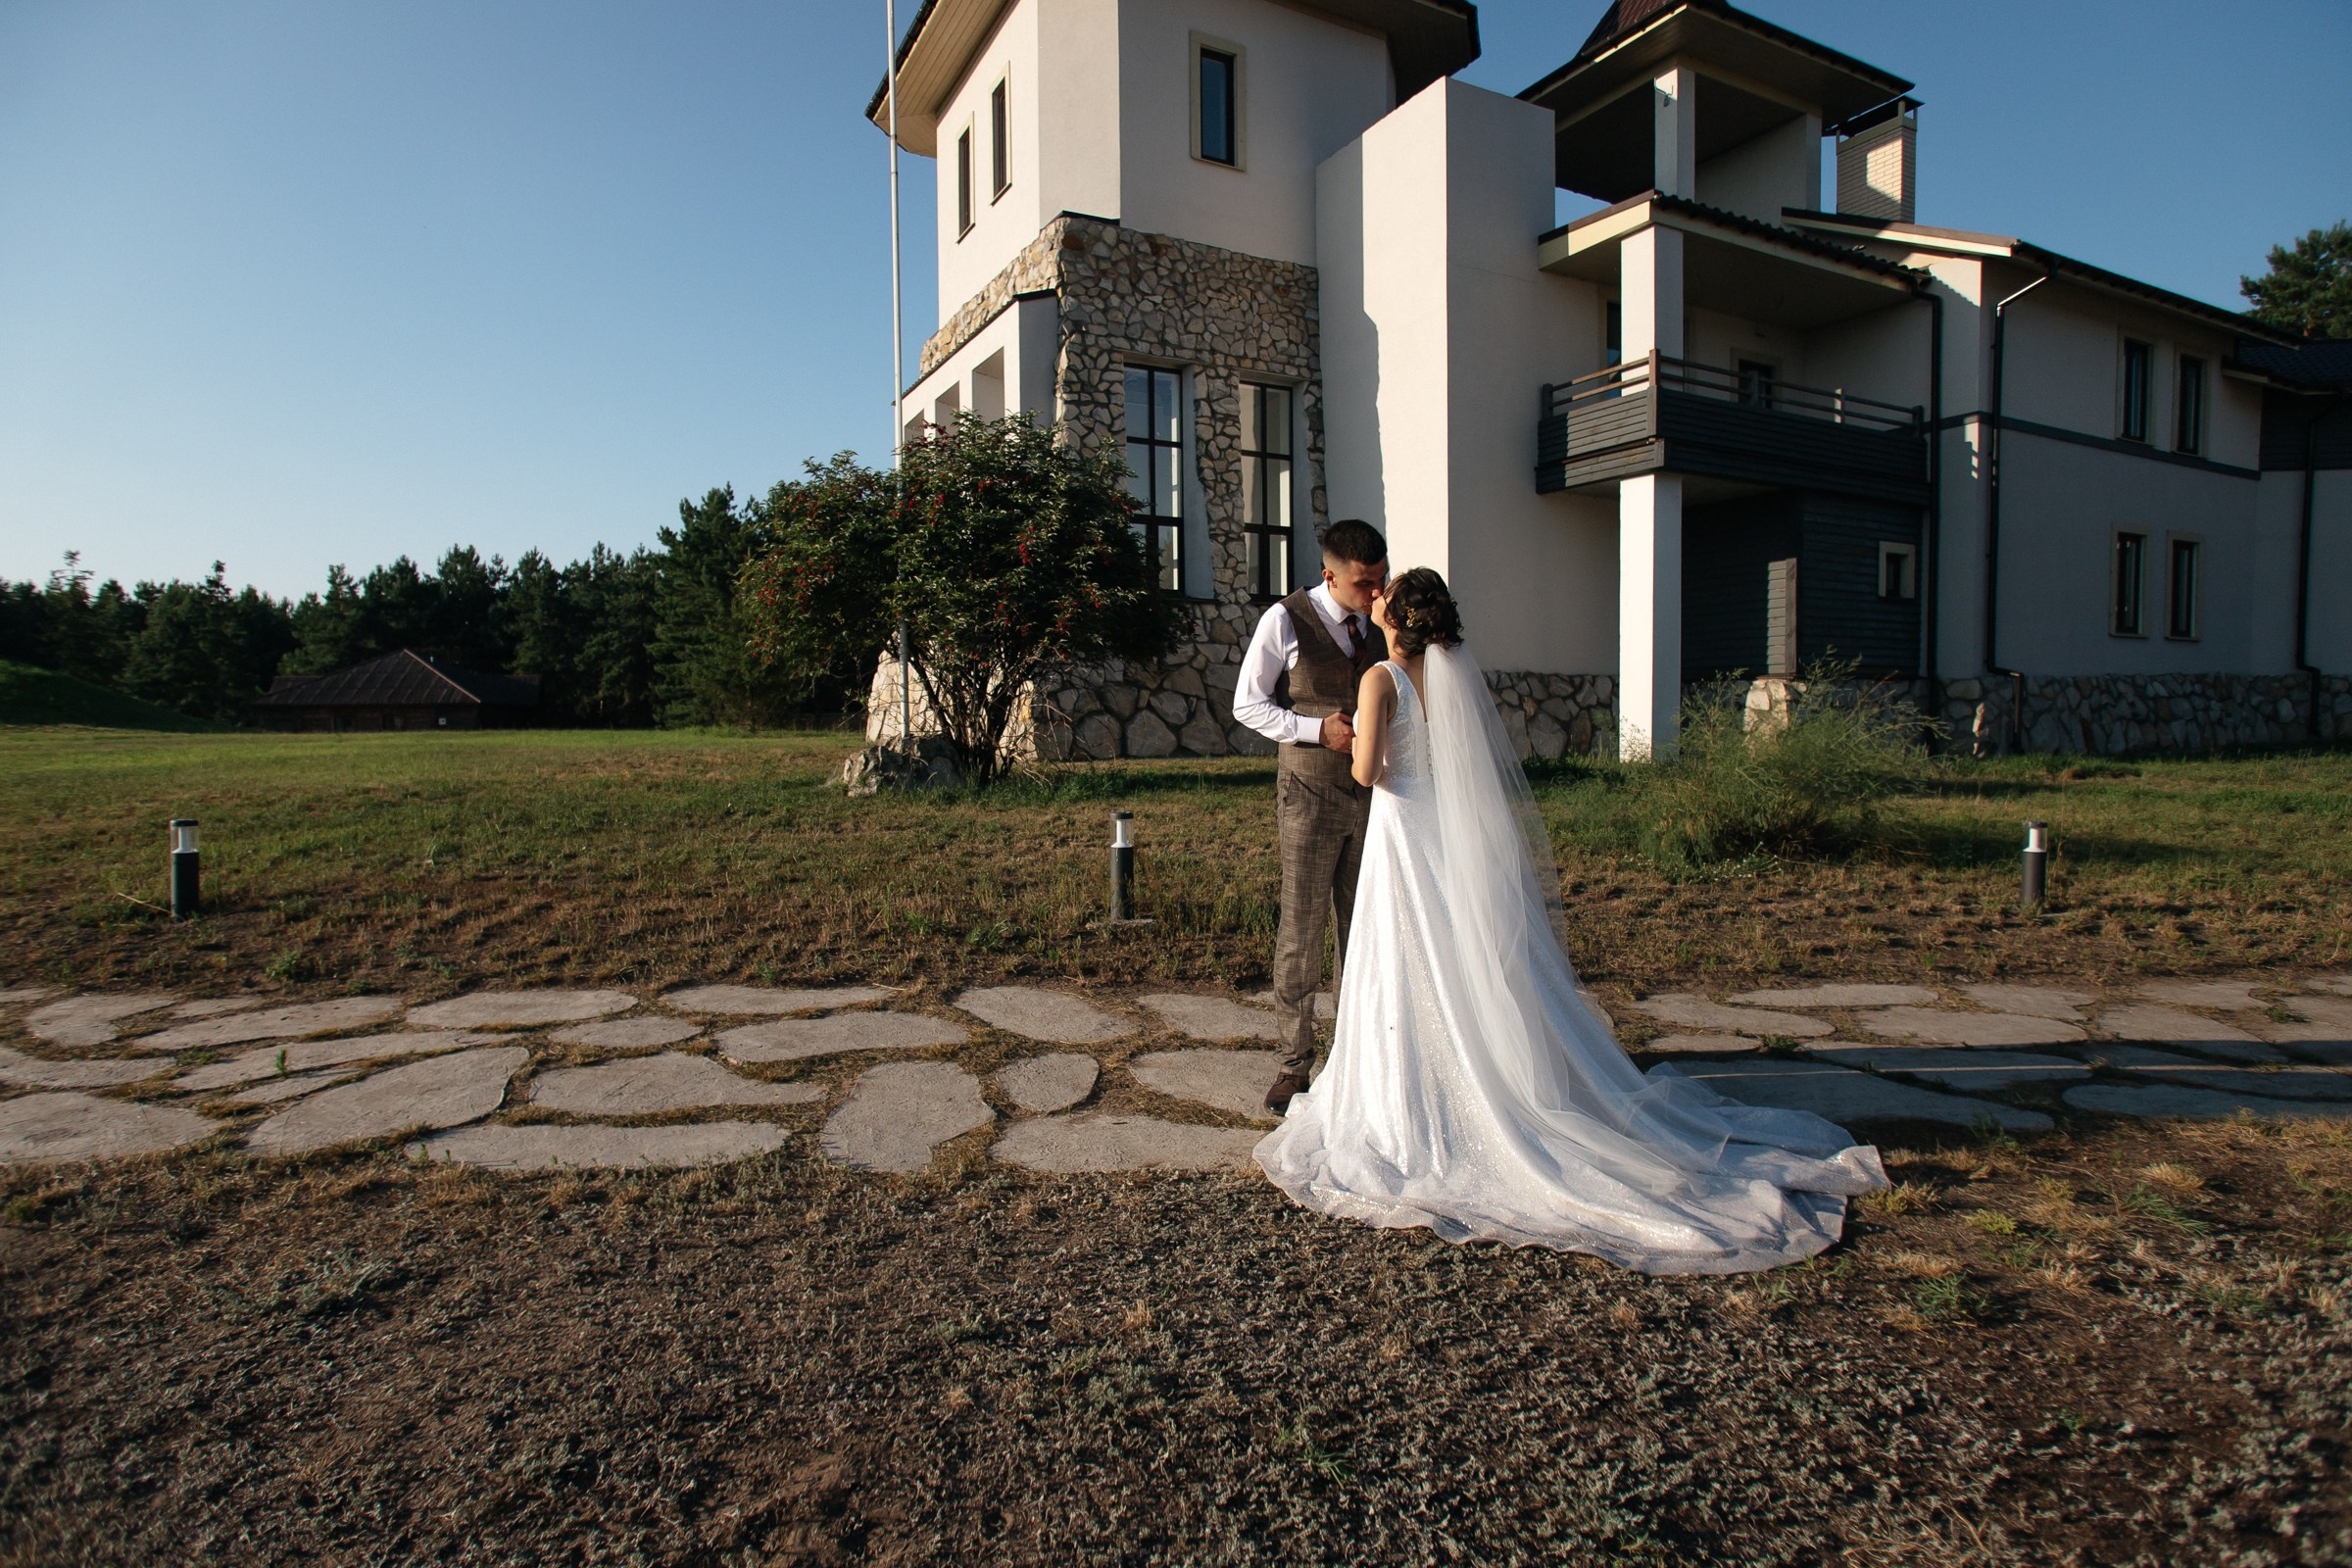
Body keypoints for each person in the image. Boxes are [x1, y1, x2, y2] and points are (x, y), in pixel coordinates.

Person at [1253, 567, 1887, 1274]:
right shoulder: (1448, 675)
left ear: (1397, 617)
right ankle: (1471, 1068)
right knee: (1453, 952)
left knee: (1405, 958)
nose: (1373, 600)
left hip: (1404, 833)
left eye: (1383, 595)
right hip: (1444, 833)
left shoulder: (1380, 680)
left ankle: (1414, 1097)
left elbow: (1369, 772)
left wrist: (1350, 747)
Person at [1231, 518, 1389, 1115]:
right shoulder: (1284, 619)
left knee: (1364, 928)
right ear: (1330, 575)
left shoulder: (1382, 620)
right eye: (1362, 583)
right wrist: (1314, 730)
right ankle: (1294, 1062)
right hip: (1309, 792)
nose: (1375, 593)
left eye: (1380, 580)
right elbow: (1248, 703)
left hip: (1376, 797)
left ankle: (1354, 1060)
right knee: (1302, 928)